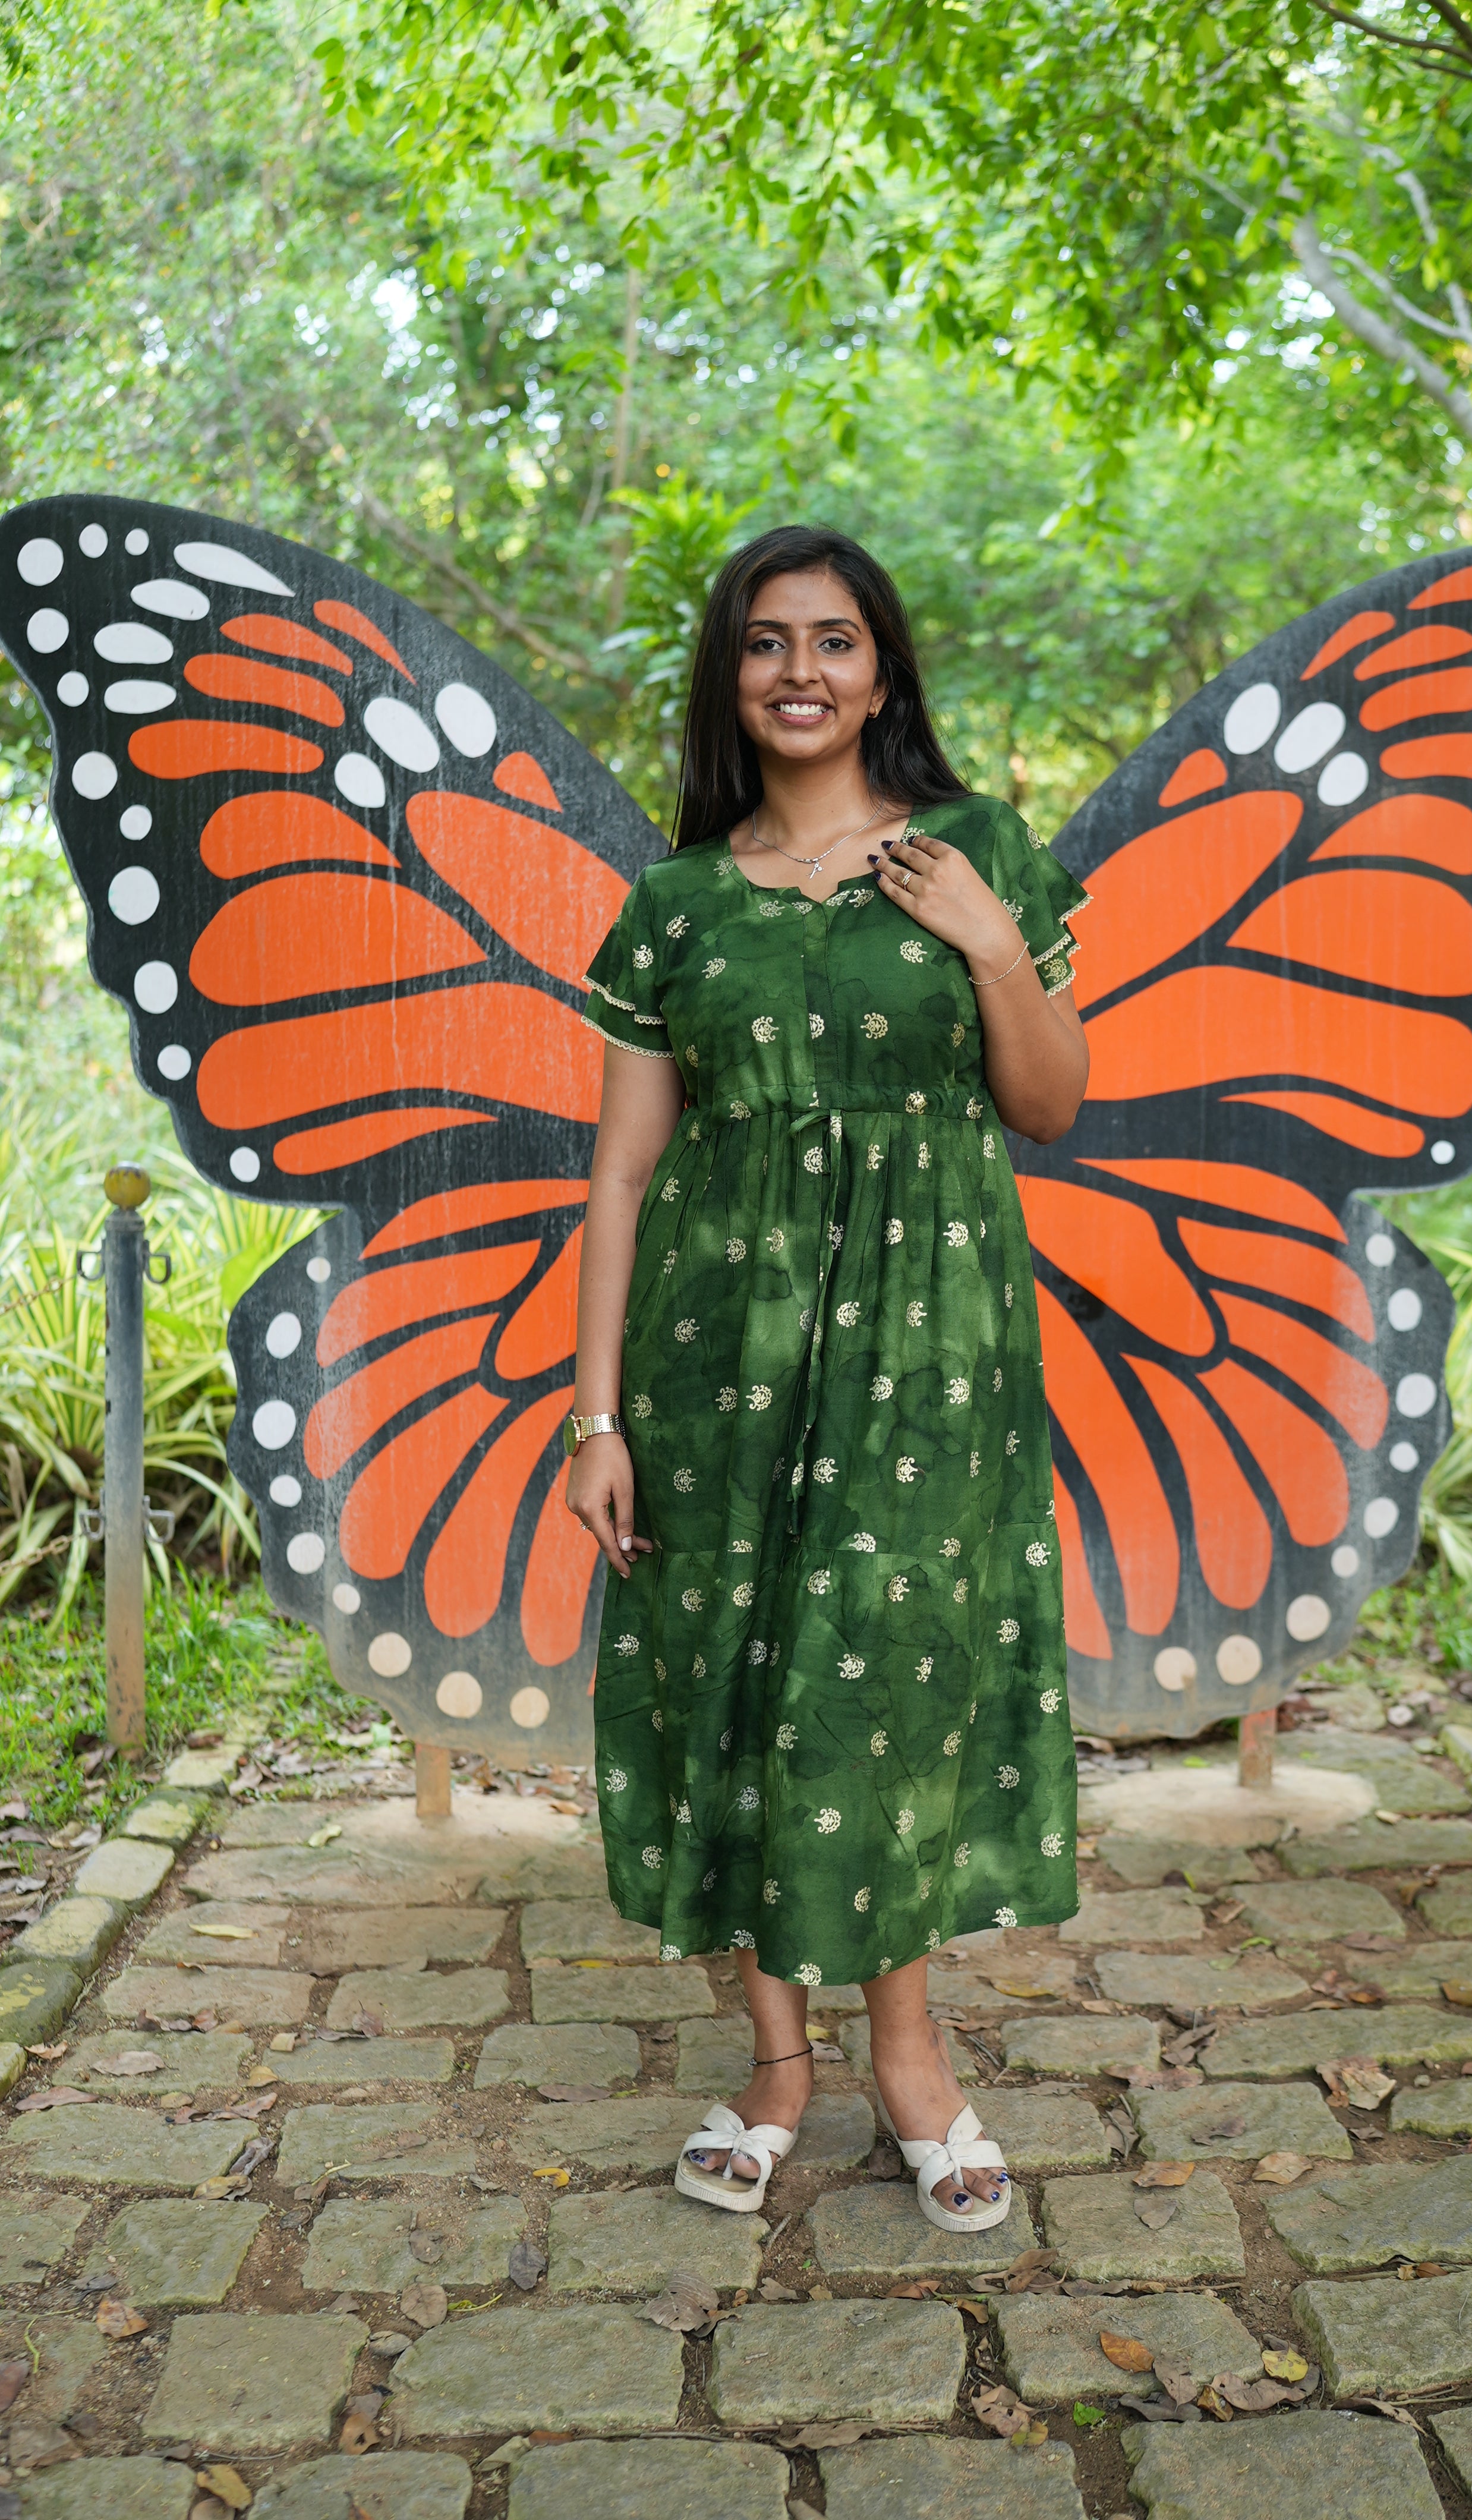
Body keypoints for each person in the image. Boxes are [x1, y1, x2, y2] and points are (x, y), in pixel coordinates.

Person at [566, 524, 1088, 2228]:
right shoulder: (675, 905)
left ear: (881, 673)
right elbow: (623, 1174)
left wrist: (992, 942)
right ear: (730, 676)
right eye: (767, 641)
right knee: (730, 1674)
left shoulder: (973, 851)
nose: (801, 671)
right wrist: (596, 1417)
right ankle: (778, 2065)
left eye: (835, 641)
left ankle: (912, 2060)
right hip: (713, 1358)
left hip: (930, 1354)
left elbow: (1050, 1106)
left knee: (892, 1679)